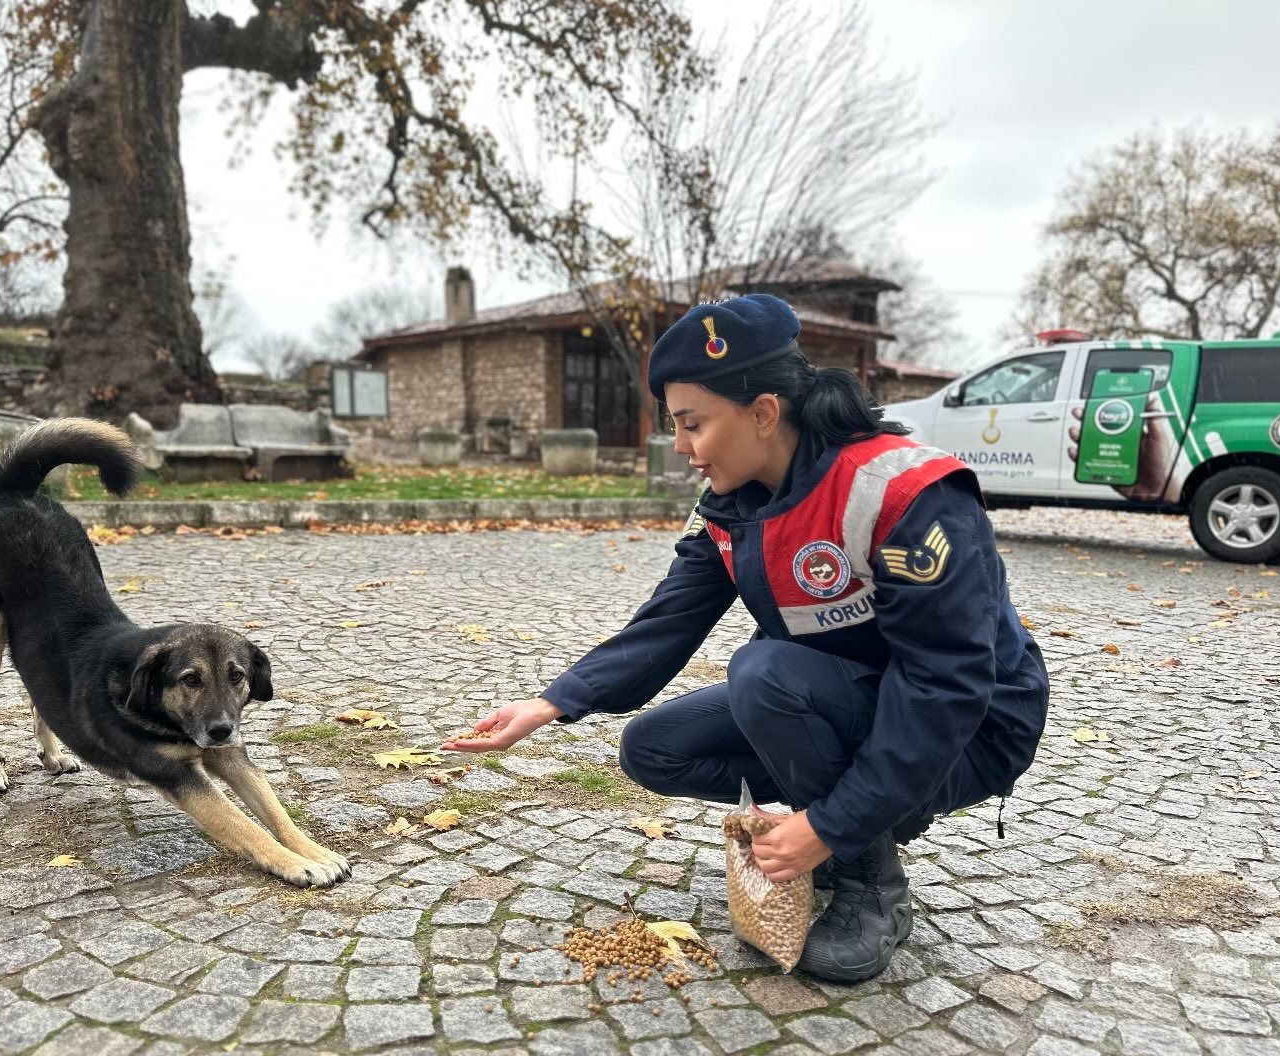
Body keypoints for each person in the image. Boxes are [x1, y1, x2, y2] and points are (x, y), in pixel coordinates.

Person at [445, 294, 1049, 982]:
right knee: (654, 749)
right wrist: (550, 704)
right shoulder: (735, 505)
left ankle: (870, 884)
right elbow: (668, 619)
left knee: (761, 672)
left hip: (972, 728)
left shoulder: (903, 494)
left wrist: (826, 826)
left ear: (763, 412)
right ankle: (870, 813)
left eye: (692, 424)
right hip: (848, 699)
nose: (680, 448)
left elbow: (948, 685)